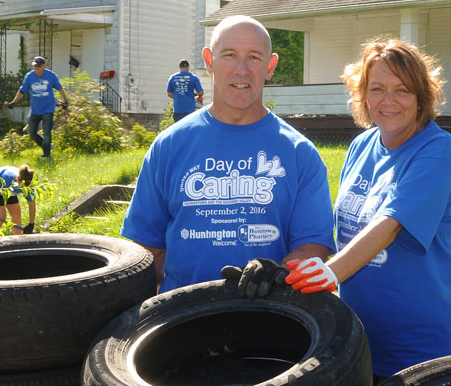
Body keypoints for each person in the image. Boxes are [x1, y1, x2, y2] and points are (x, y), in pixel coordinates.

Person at [285, 38, 451, 381]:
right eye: (377, 88)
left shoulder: (437, 151)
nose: (388, 101)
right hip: (359, 333)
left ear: (421, 98)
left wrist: (331, 272)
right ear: (363, 95)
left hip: (420, 342)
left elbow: (391, 223)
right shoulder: (361, 146)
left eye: (402, 90)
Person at [120, 15, 335, 296]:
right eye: (230, 55)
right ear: (209, 61)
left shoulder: (299, 153)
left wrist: (278, 273)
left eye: (254, 57)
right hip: (181, 319)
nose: (241, 70)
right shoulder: (169, 145)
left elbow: (313, 244)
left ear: (270, 67)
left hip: (271, 317)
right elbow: (145, 247)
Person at [7, 56, 69, 159]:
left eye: (38, 66)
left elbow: (60, 88)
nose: (36, 68)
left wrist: (66, 101)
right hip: (35, 109)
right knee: (31, 132)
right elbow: (22, 91)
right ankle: (46, 145)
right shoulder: (29, 76)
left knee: (47, 132)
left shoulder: (51, 75)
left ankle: (47, 155)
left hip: (48, 109)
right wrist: (14, 102)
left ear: (43, 66)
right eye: (35, 66)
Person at [167, 59, 204, 123]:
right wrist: (197, 96)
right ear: (188, 67)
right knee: (189, 129)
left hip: (177, 109)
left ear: (179, 67)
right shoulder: (194, 78)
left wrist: (177, 97)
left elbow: (169, 93)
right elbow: (200, 92)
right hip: (190, 109)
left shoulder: (172, 77)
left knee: (179, 129)